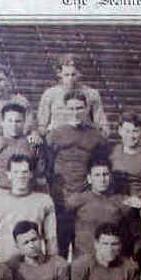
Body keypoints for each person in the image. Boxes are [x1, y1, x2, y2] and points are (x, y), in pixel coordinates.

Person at [45, 90, 109, 254]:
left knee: (84, 245)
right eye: (71, 108)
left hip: (84, 195)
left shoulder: (96, 137)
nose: (75, 113)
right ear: (65, 110)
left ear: (87, 109)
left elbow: (101, 166)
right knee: (60, 246)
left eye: (79, 108)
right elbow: (47, 166)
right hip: (61, 197)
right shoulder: (55, 135)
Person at [0, 154, 59, 263]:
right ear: (8, 174)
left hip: (34, 265)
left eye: (24, 172)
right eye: (16, 172)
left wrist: (52, 264)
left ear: (31, 174)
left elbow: (51, 238)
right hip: (4, 266)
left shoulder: (44, 201)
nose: (20, 176)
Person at [65, 155, 135, 258]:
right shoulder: (76, 201)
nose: (102, 179)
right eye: (97, 175)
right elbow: (65, 232)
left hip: (111, 260)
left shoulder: (122, 202)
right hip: (84, 260)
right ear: (89, 179)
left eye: (105, 174)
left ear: (111, 177)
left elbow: (134, 236)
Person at [0, 102, 44, 201]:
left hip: (26, 196)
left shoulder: (31, 143)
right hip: (0, 194)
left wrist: (43, 198)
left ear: (24, 122)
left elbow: (40, 174)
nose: (14, 125)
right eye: (10, 121)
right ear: (2, 122)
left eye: (18, 121)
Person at [37, 54, 109, 135]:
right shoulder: (49, 94)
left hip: (83, 139)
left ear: (79, 73)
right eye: (66, 75)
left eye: (73, 75)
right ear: (59, 74)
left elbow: (102, 125)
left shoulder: (92, 94)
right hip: (58, 139)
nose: (70, 79)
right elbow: (41, 125)